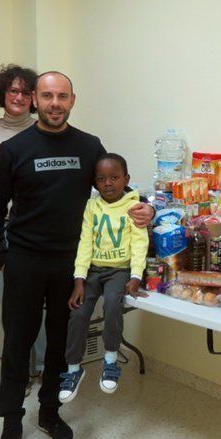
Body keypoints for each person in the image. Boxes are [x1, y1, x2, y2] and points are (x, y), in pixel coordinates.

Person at [0, 71, 154, 439]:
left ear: (72, 100)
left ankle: (49, 413)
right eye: (47, 96)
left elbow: (117, 190)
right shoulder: (15, 148)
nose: (54, 103)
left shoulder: (89, 146)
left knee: (61, 343)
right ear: (35, 101)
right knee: (18, 344)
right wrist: (1, 256)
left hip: (73, 266)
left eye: (62, 96)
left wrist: (148, 207)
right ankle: (11, 425)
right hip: (23, 261)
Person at [59, 153, 148, 403]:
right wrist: (78, 279)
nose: (108, 183)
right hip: (92, 271)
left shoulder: (134, 207)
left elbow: (140, 244)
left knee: (112, 305)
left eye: (114, 178)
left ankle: (110, 360)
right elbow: (85, 243)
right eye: (101, 179)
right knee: (77, 312)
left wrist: (135, 276)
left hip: (119, 271)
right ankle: (73, 369)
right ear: (95, 183)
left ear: (125, 179)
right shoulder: (91, 207)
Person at [0, 64, 46, 395]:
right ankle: (19, 372)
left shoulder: (44, 130)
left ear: (34, 98)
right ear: (2, 94)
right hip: (4, 228)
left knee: (40, 304)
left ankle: (43, 368)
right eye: (13, 91)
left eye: (26, 92)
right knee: (12, 306)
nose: (19, 97)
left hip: (37, 231)